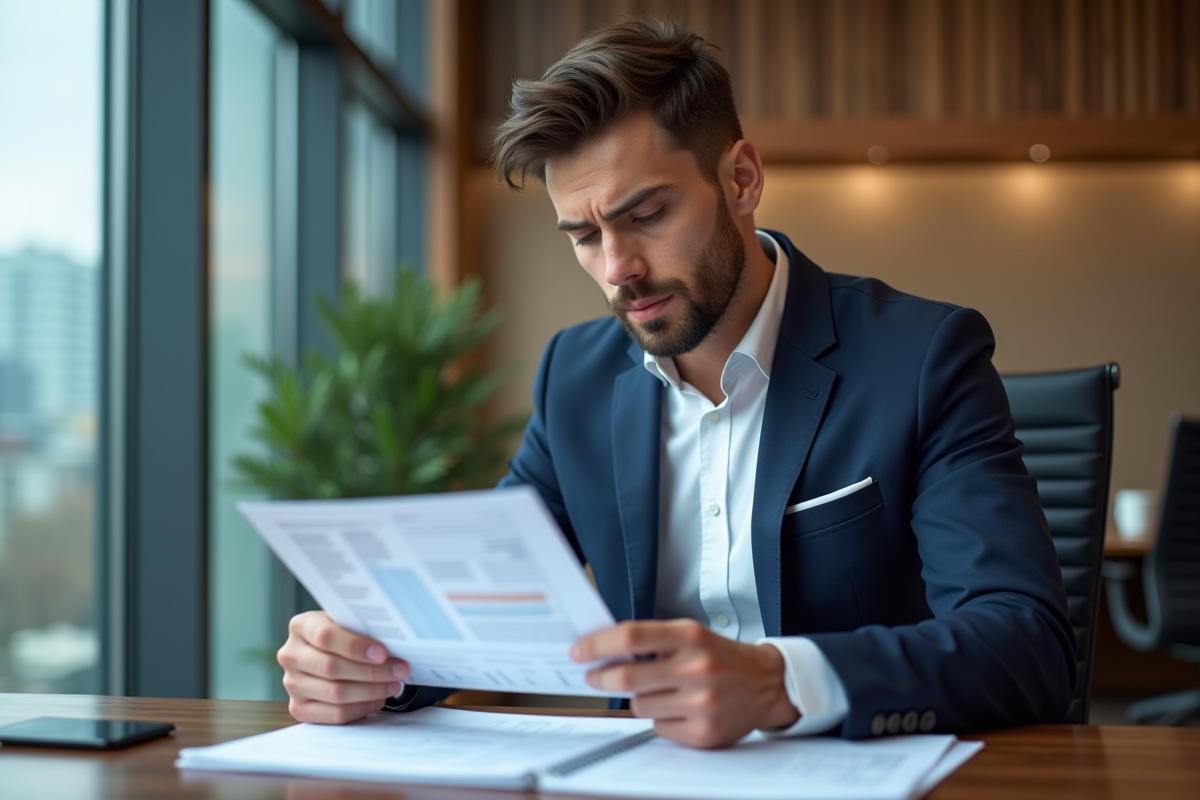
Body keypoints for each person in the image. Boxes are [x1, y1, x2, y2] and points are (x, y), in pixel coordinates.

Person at [277, 19, 1075, 748]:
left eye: (647, 214)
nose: (617, 267)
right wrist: (371, 664)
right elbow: (483, 614)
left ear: (742, 178)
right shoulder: (576, 379)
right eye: (584, 235)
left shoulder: (923, 356)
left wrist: (780, 682)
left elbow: (1027, 643)